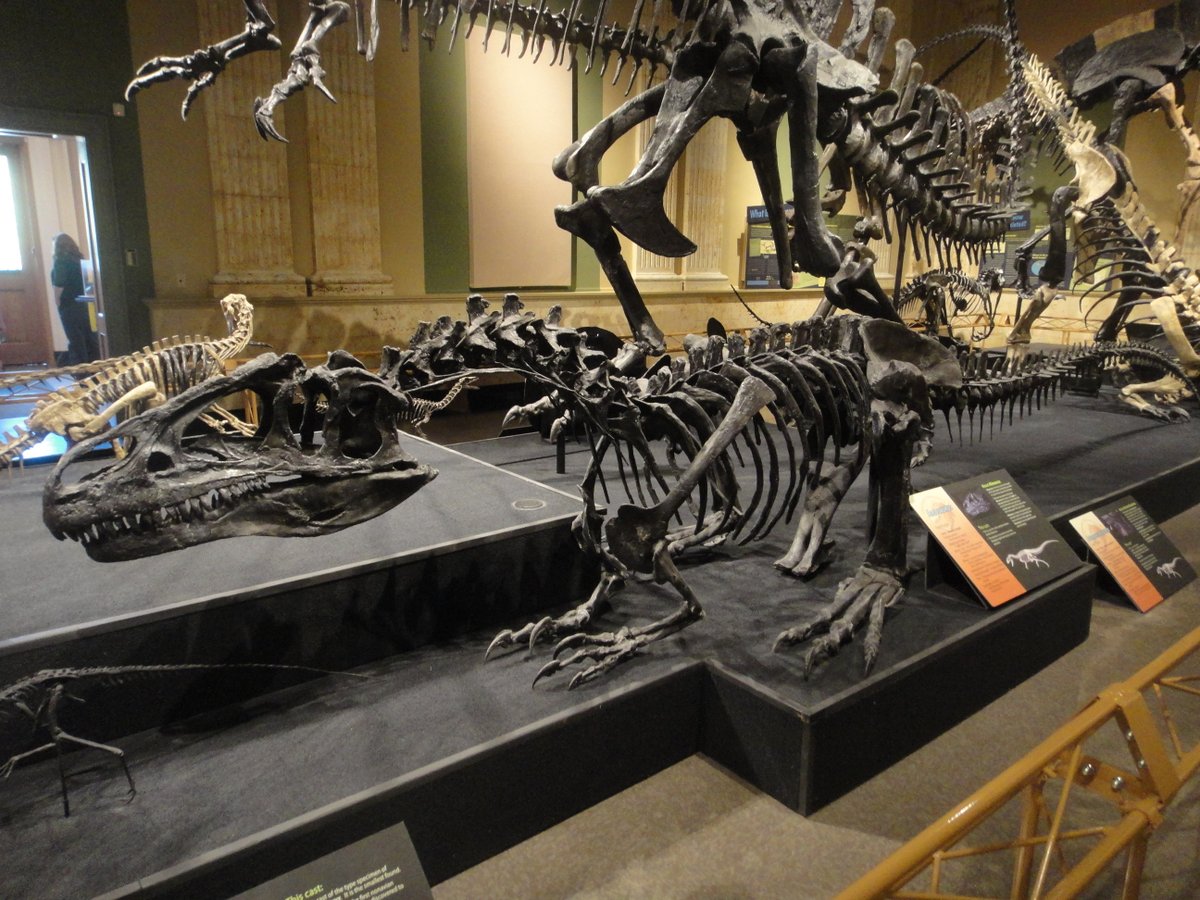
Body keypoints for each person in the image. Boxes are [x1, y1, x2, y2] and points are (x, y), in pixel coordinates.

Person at [50, 232, 100, 364]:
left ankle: (81, 372)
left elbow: (59, 284)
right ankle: (96, 369)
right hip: (87, 305)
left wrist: (57, 302)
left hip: (70, 306)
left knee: (76, 342)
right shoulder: (81, 260)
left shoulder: (60, 262)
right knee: (91, 340)